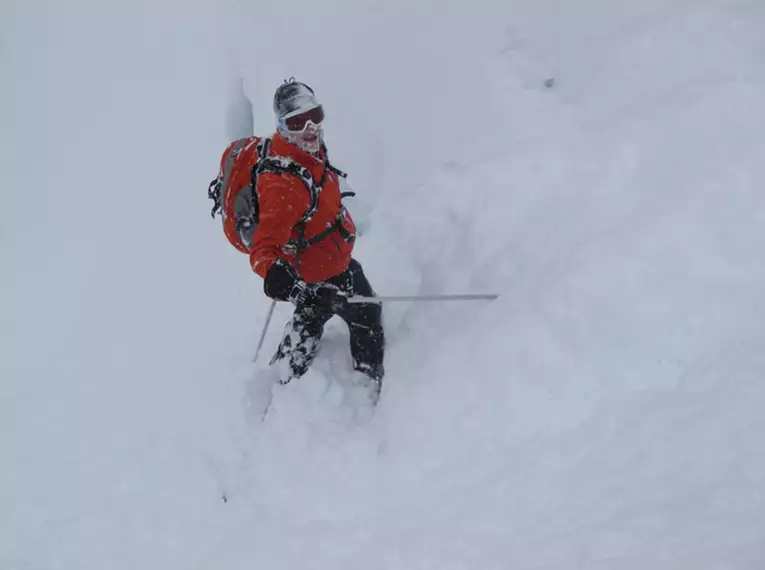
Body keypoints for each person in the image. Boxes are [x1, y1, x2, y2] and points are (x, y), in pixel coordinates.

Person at [209, 79, 385, 389]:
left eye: (315, 115)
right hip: (319, 271)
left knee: (313, 314)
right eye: (297, 122)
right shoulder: (282, 185)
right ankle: (365, 385)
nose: (310, 128)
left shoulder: (306, 151)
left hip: (323, 262)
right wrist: (292, 287)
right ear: (282, 127)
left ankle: (286, 374)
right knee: (364, 309)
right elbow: (263, 250)